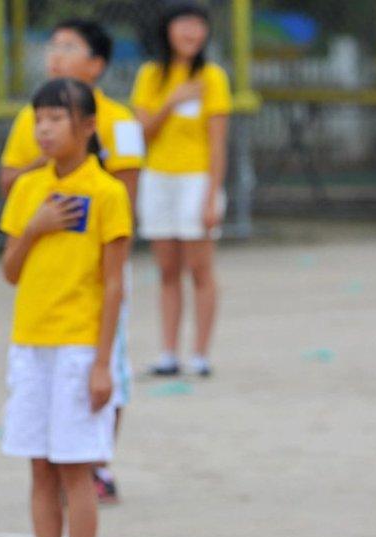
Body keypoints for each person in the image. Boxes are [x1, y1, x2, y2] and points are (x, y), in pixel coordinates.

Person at [0, 18, 143, 503]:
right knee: (40, 465)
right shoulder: (31, 116)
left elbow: (128, 188)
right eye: (52, 44)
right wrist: (45, 188)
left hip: (98, 273)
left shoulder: (121, 120)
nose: (55, 54)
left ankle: (97, 461)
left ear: (97, 64)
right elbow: (10, 177)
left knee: (108, 377)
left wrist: (86, 193)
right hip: (40, 301)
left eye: (69, 46)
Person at [131, 0, 231, 376]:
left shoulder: (213, 78)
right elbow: (142, 133)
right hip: (157, 179)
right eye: (183, 23)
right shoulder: (150, 75)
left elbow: (218, 143)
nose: (191, 31)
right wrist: (171, 101)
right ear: (167, 29)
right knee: (167, 269)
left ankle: (201, 355)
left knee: (199, 268)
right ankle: (168, 353)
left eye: (198, 24)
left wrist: (211, 196)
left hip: (196, 180)